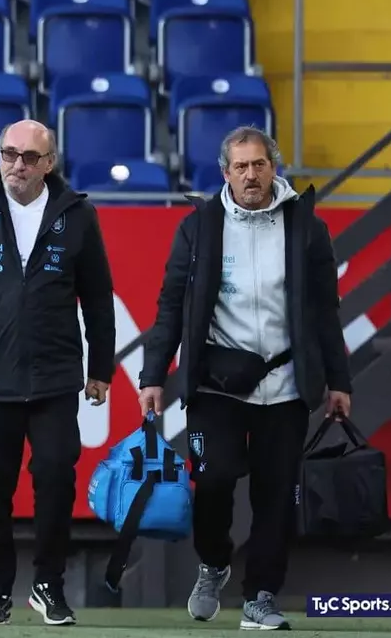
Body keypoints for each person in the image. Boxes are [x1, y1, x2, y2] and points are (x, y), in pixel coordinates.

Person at [138, 126, 352, 631]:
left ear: (273, 167)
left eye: (259, 164)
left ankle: (260, 596)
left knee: (275, 495)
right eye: (241, 167)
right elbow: (171, 306)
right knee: (212, 479)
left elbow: (326, 310)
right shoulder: (200, 225)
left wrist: (338, 381)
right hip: (216, 382)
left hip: (286, 384)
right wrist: (153, 375)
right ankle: (213, 563)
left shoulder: (306, 226)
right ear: (225, 173)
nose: (251, 175)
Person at [0, 120, 116, 627]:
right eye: (9, 154)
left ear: (49, 163)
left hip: (55, 379)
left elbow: (98, 296)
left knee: (55, 481)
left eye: (30, 157)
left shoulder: (77, 215)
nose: (18, 165)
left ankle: (48, 585)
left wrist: (101, 367)